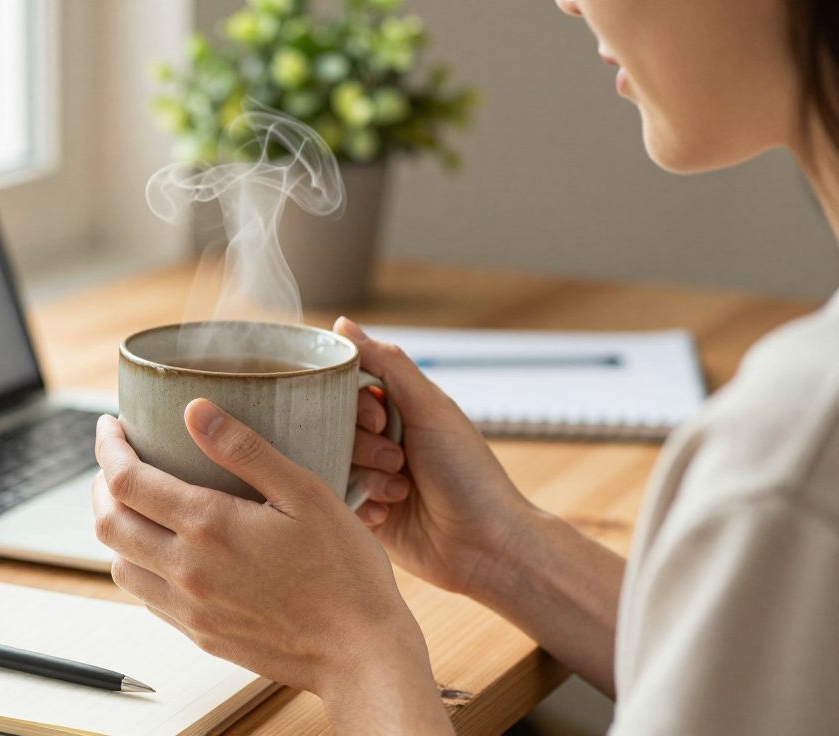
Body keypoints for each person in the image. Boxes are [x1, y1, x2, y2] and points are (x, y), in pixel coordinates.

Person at [91, 0, 839, 733]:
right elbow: (772, 678)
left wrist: (351, 650)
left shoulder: (791, 458)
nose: (567, 3)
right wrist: (498, 547)